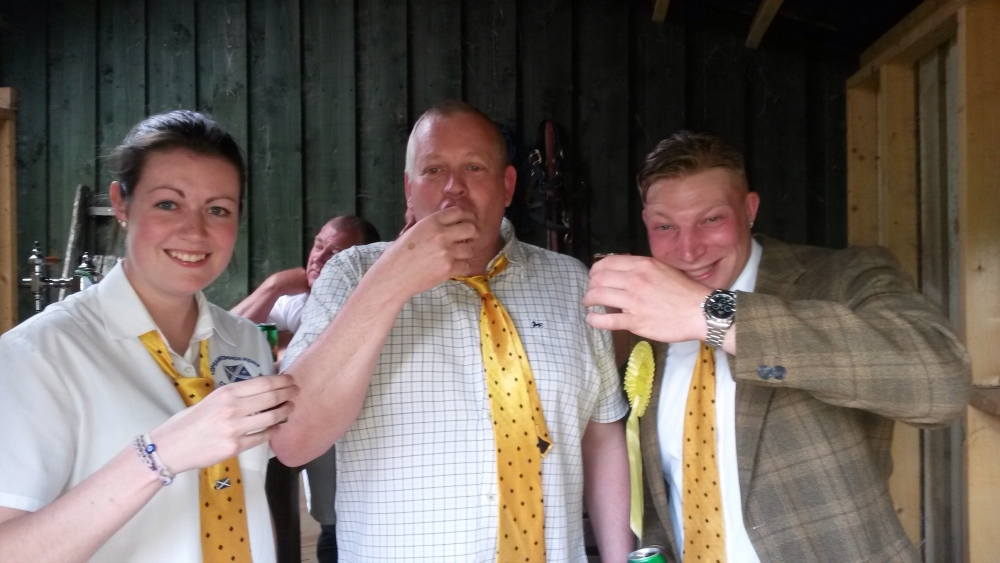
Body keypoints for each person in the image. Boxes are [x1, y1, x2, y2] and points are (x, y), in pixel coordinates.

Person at [584, 131, 971, 562]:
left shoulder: (840, 278)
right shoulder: (643, 322)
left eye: (711, 220)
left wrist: (711, 314)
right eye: (665, 226)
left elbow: (943, 383)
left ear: (749, 209)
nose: (688, 250)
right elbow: (661, 485)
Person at [272, 100, 633, 562]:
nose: (453, 188)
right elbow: (292, 441)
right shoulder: (351, 274)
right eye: (433, 170)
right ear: (409, 188)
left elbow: (601, 434)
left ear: (507, 186)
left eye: (474, 168)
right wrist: (391, 281)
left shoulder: (572, 282)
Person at [0, 110, 297, 563]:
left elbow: (247, 496)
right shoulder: (37, 355)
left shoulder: (246, 342)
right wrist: (160, 454)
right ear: (121, 204)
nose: (194, 231)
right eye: (168, 204)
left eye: (218, 209)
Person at [232, 214, 379, 563]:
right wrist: (272, 287)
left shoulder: (369, 304)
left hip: (358, 443)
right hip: (293, 437)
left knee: (340, 527)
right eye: (318, 245)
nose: (319, 257)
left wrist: (289, 351)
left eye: (336, 252)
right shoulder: (297, 302)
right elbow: (224, 338)